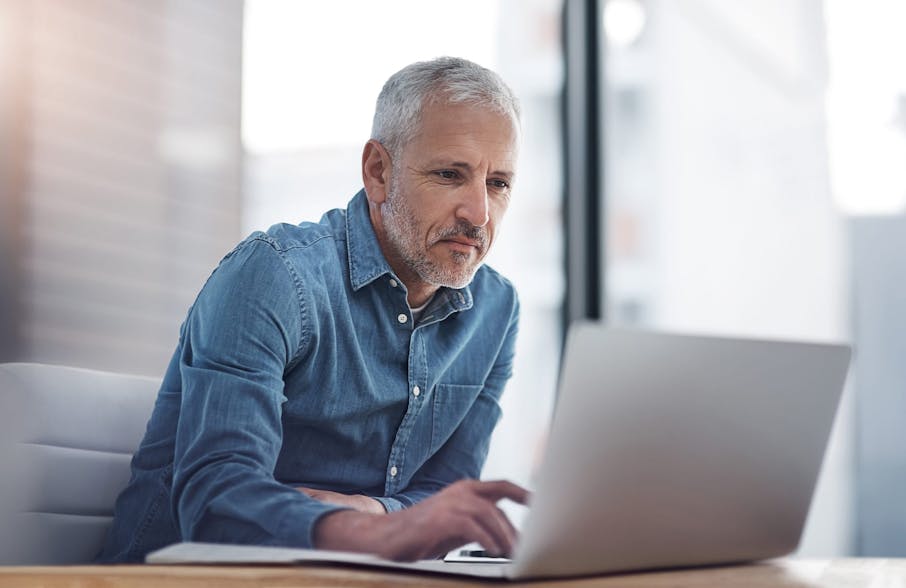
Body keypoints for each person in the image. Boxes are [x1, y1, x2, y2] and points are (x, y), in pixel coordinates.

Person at [99, 56, 528, 564]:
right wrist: (380, 535)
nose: (478, 213)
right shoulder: (274, 276)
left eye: (498, 183)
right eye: (449, 174)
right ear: (378, 172)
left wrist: (377, 513)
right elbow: (216, 499)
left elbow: (446, 492)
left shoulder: (495, 310)